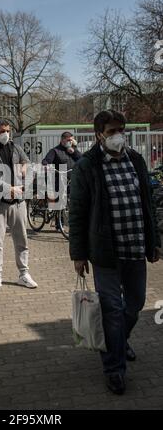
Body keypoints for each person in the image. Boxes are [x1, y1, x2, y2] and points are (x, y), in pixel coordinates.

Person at [69, 109, 161, 395]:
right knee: (111, 310)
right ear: (99, 134)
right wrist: (78, 254)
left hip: (135, 248)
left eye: (122, 129)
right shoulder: (88, 165)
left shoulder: (136, 159)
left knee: (134, 306)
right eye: (111, 131)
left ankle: (120, 341)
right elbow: (78, 211)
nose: (118, 135)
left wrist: (154, 240)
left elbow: (147, 203)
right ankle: (114, 368)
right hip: (105, 252)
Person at [0, 118, 38, 292]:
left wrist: (26, 167)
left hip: (18, 202)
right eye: (2, 131)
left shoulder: (16, 147)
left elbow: (27, 162)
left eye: (8, 130)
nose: (6, 134)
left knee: (22, 240)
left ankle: (24, 274)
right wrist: (7, 188)